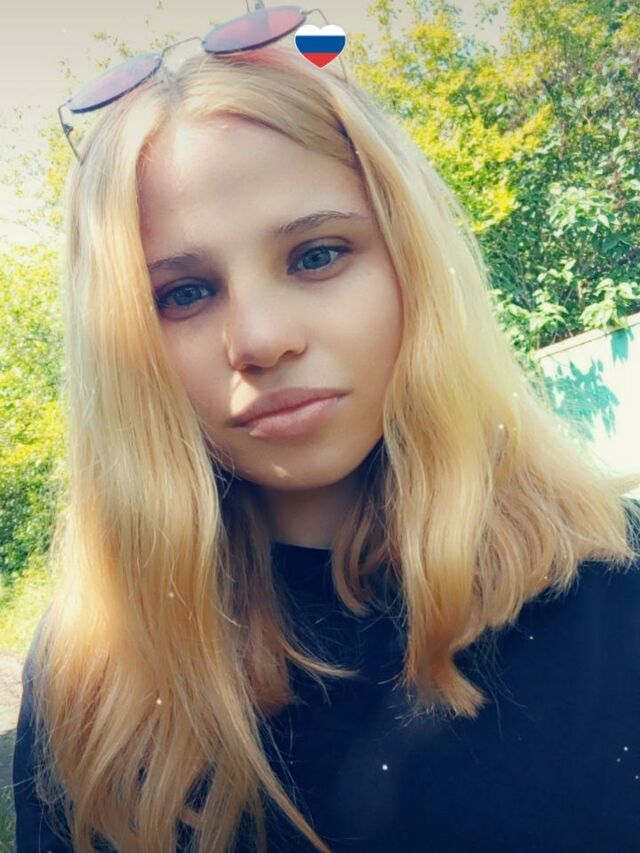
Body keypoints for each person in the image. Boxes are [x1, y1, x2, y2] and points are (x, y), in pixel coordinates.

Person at [12, 12, 640, 853]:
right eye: (183, 294)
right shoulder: (90, 680)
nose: (261, 338)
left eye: (317, 255)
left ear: (411, 260)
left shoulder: (608, 581)